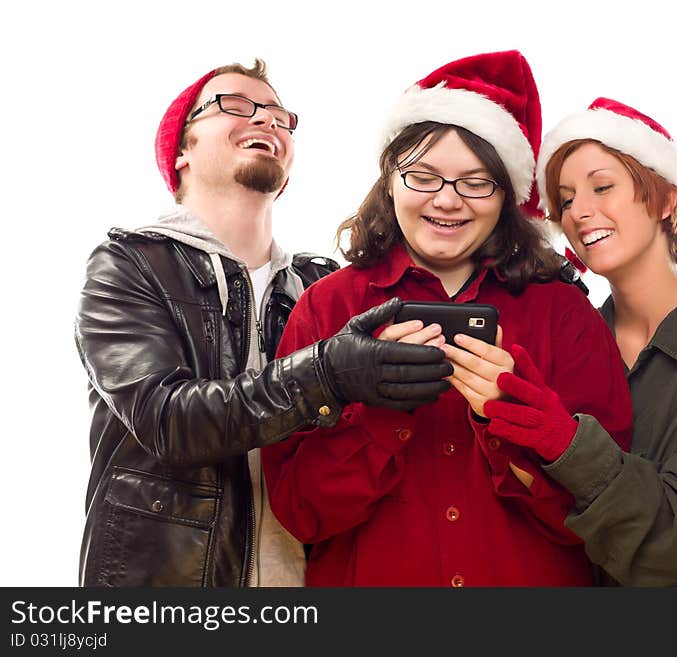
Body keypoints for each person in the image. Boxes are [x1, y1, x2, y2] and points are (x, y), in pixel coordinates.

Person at [74, 59, 452, 587]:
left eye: (279, 115)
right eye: (235, 105)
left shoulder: (321, 285)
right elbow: (165, 419)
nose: (267, 121)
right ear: (181, 151)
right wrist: (328, 374)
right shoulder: (130, 263)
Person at [261, 51, 632, 586]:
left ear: (506, 198)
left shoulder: (563, 313)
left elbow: (602, 519)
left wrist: (513, 418)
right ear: (390, 181)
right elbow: (300, 512)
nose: (448, 201)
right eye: (424, 177)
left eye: (476, 182)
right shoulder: (326, 307)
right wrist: (383, 413)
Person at [492, 96, 677, 585]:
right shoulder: (579, 341)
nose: (579, 212)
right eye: (566, 199)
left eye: (603, 187)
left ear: (666, 199)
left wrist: (570, 447)